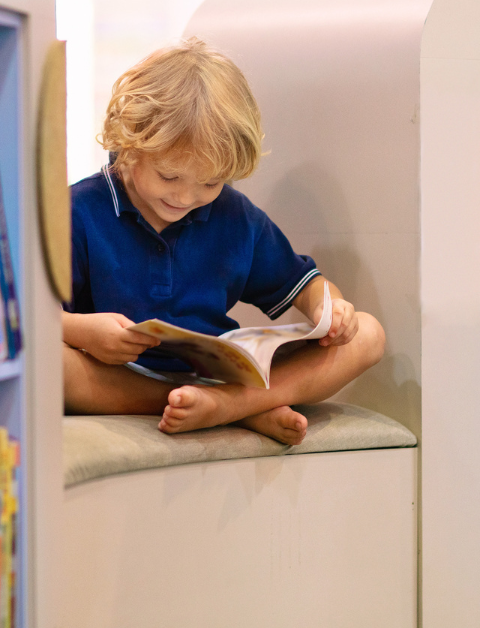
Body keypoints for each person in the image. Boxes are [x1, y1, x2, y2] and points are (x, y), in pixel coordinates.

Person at [63, 37, 385, 446]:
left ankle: (229, 404)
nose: (184, 197)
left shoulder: (234, 214)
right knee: (50, 364)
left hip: (218, 372)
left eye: (210, 182)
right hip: (116, 374)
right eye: (169, 176)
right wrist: (83, 332)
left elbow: (305, 285)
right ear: (129, 142)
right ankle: (235, 407)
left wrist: (331, 308)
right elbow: (32, 323)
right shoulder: (77, 210)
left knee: (368, 334)